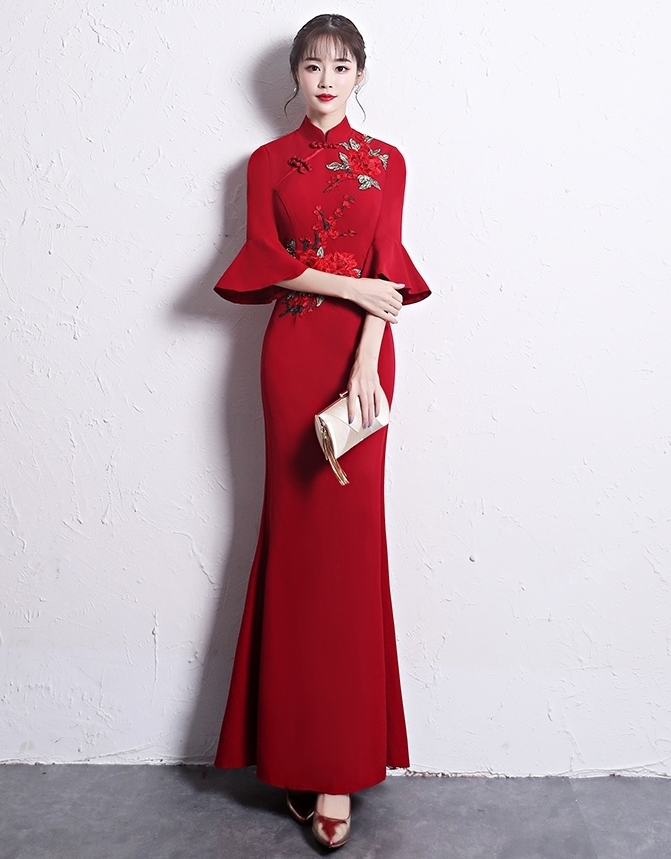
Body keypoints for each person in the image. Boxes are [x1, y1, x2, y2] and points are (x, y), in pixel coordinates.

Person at [212, 13, 430, 850]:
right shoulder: (266, 163)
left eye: (341, 67)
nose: (327, 80)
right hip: (294, 353)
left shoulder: (387, 161)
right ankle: (293, 752)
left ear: (361, 75)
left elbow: (389, 272)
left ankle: (338, 765)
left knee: (351, 550)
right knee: (297, 547)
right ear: (296, 76)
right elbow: (265, 259)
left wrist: (367, 357)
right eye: (313, 66)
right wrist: (349, 288)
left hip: (362, 361)